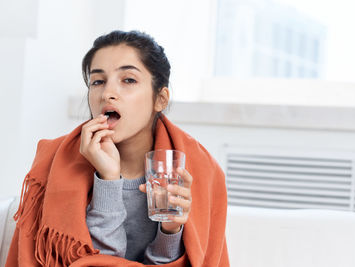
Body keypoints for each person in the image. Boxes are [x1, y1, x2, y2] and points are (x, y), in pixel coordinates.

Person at [6, 30, 230, 267]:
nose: (107, 94)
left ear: (160, 99)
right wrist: (109, 180)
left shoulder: (201, 170)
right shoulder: (53, 162)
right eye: (98, 81)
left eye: (128, 80)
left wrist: (170, 231)